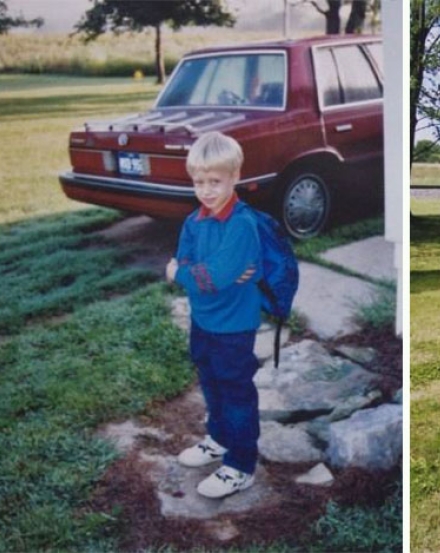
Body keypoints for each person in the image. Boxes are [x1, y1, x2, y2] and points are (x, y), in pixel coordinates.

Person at [166, 131, 262, 498]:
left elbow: (210, 276)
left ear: (235, 176)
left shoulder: (241, 224)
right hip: (203, 320)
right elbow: (188, 261)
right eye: (199, 182)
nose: (206, 191)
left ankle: (241, 465)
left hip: (234, 326)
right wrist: (195, 272)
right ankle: (220, 439)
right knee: (210, 382)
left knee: (236, 392)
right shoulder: (194, 221)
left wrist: (182, 274)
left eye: (215, 182)